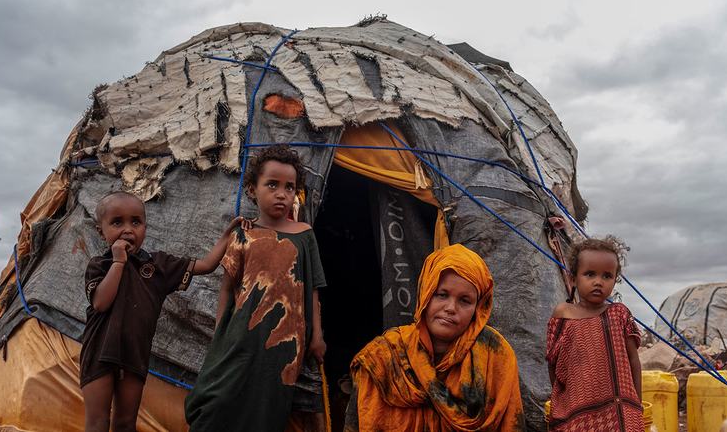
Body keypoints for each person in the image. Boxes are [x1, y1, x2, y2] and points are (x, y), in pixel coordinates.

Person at [185, 145, 329, 431]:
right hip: (242, 335)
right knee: (218, 398)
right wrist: (220, 332)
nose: (281, 193)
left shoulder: (305, 235)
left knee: (268, 405)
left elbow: (312, 289)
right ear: (252, 189)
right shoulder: (244, 234)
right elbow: (227, 287)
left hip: (286, 343)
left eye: (289, 187)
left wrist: (317, 335)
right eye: (272, 185)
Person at [80, 191, 234, 432]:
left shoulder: (158, 265)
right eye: (117, 222)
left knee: (125, 423)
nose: (128, 229)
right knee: (97, 423)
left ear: (145, 227)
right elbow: (100, 303)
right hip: (99, 350)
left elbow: (205, 265)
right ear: (101, 231)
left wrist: (228, 235)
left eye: (136, 222)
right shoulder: (99, 265)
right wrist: (118, 262)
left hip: (135, 353)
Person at [345, 244, 524, 432]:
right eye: (442, 295)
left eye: (465, 300)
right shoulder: (383, 358)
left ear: (478, 310)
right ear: (425, 294)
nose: (451, 308)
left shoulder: (494, 356)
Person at [547, 236, 644, 432]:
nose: (598, 282)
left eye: (606, 276)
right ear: (572, 278)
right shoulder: (563, 314)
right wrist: (561, 396)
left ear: (615, 281)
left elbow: (634, 360)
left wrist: (636, 403)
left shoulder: (619, 314)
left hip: (620, 411)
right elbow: (553, 361)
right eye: (590, 274)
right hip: (576, 409)